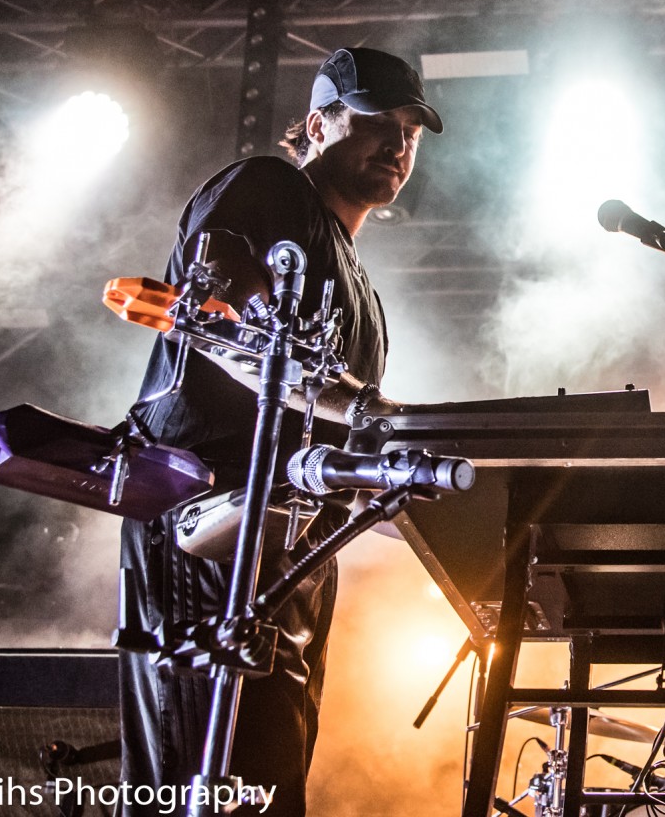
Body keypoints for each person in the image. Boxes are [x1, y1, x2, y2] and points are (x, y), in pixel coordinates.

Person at [118, 48, 442, 816]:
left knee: (270, 784)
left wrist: (452, 510)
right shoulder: (269, 187)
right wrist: (365, 409)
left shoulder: (362, 289)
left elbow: (347, 446)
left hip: (292, 559)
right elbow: (219, 315)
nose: (396, 145)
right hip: (208, 529)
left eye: (409, 130)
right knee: (199, 784)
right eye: (373, 122)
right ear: (318, 122)